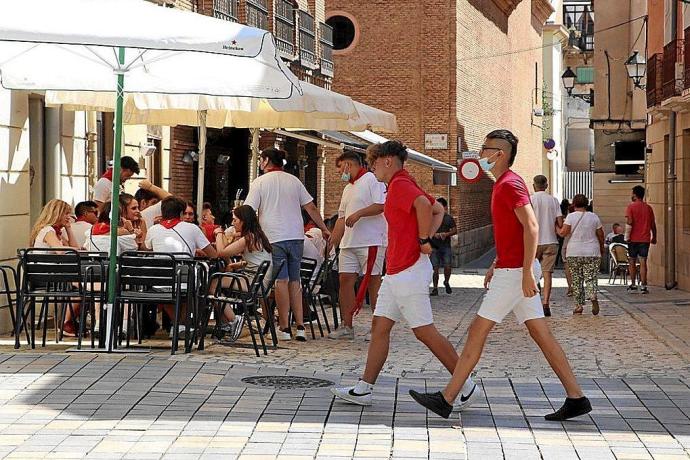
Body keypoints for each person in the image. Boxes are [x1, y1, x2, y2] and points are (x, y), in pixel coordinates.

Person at [408, 130, 590, 422]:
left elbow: (531, 227)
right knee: (542, 336)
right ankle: (576, 397)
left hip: (515, 273)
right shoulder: (505, 183)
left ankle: (447, 398)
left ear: (499, 154)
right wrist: (498, 260)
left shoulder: (509, 184)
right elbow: (514, 233)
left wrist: (526, 274)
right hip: (513, 269)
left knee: (476, 332)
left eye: (484, 149)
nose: (479, 154)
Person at [331, 140, 479, 409]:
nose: (372, 168)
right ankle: (364, 388)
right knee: (380, 327)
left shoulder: (400, 185)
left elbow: (425, 206)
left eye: (374, 163)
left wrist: (424, 239)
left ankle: (466, 384)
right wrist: (427, 238)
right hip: (397, 270)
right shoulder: (402, 182)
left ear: (387, 161)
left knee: (424, 331)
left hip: (407, 270)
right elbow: (438, 209)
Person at [244, 148, 330, 342]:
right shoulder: (294, 181)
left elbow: (248, 210)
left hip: (274, 237)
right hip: (296, 236)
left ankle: (284, 327)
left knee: (280, 282)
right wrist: (324, 228)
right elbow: (311, 207)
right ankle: (300, 326)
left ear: (266, 161)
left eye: (260, 159)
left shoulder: (259, 182)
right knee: (295, 281)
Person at [329, 150, 387, 340]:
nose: (340, 174)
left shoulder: (372, 179)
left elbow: (381, 205)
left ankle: (377, 327)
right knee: (345, 280)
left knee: (373, 282)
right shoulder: (348, 188)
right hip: (349, 242)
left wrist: (359, 214)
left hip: (371, 240)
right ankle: (347, 325)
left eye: (340, 169)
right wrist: (332, 241)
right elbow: (341, 217)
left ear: (348, 165)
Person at [213, 205, 273, 340]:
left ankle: (234, 321)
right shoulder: (258, 235)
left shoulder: (248, 238)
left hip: (253, 283)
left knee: (212, 283)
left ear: (243, 221)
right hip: (260, 282)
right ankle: (226, 323)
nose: (233, 223)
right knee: (216, 282)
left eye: (235, 220)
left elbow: (221, 252)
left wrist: (219, 233)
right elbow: (257, 259)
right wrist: (239, 264)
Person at [558, 194, 604, 315]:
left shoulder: (571, 217)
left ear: (574, 204)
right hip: (592, 252)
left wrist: (556, 228)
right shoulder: (594, 217)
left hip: (574, 252)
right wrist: (601, 247)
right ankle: (593, 296)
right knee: (591, 277)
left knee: (577, 279)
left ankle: (578, 306)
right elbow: (600, 234)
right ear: (586, 204)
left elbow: (563, 233)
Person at [530, 175, 563, 317]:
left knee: (531, 272)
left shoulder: (530, 200)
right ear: (547, 185)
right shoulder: (553, 200)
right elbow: (560, 223)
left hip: (533, 242)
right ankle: (546, 303)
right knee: (547, 273)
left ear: (533, 186)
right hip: (551, 241)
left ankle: (534, 301)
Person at [145, 196, 217, 258]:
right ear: (181, 213)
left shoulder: (152, 229)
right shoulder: (193, 228)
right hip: (184, 272)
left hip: (161, 272)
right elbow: (213, 255)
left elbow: (146, 249)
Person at [626, 186, 657, 293]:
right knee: (643, 261)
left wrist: (627, 236)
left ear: (634, 194)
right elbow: (653, 224)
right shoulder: (648, 208)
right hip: (645, 238)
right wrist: (654, 236)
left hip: (633, 239)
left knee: (632, 261)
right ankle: (643, 285)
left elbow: (629, 222)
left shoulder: (631, 207)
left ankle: (633, 284)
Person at [430, 197, 457, 296]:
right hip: (434, 246)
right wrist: (434, 234)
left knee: (447, 265)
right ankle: (435, 288)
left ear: (445, 207)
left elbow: (454, 230)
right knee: (435, 268)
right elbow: (426, 230)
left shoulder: (448, 218)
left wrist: (446, 234)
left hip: (445, 246)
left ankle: (446, 281)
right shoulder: (431, 217)